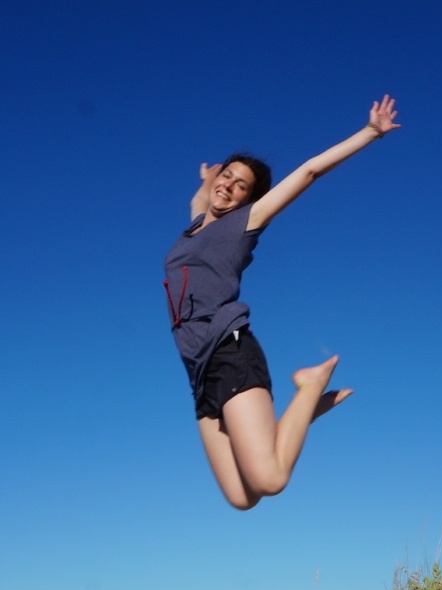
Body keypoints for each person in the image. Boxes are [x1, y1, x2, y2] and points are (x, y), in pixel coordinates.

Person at [163, 94, 400, 509]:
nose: (228, 186)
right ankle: (295, 419)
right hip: (199, 372)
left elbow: (308, 172)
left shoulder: (244, 224)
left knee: (270, 479)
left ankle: (308, 387)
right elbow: (199, 200)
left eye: (240, 186)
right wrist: (208, 178)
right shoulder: (196, 226)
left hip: (228, 348)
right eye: (227, 176)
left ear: (247, 201)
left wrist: (369, 133)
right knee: (242, 498)